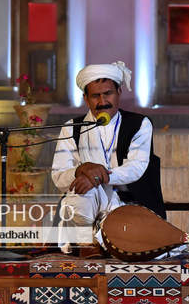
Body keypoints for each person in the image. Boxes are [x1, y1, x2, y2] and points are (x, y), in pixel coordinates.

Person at [52, 61, 165, 253]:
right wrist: (80, 170)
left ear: (119, 92)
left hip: (129, 201)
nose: (102, 101)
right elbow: (58, 176)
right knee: (81, 194)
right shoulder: (72, 128)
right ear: (86, 99)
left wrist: (96, 176)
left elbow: (135, 168)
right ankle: (86, 245)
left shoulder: (139, 124)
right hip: (87, 203)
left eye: (108, 93)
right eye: (95, 96)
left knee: (89, 187)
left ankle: (102, 243)